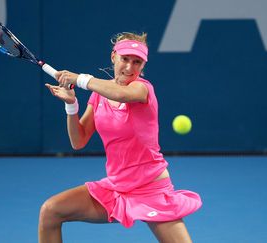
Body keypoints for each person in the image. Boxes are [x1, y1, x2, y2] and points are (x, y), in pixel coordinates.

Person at [40, 32, 202, 243]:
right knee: (51, 211)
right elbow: (78, 141)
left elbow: (121, 94)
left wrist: (80, 79)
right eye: (125, 59)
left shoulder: (142, 88)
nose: (129, 67)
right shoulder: (98, 94)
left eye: (137, 62)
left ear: (143, 66)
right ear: (113, 57)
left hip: (150, 187)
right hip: (116, 187)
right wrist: (71, 105)